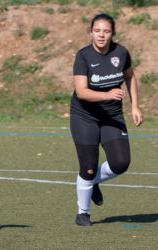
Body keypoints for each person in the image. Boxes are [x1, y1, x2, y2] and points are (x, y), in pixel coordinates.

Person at [70, 13, 143, 226]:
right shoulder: (83, 56)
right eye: (97, 30)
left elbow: (130, 76)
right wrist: (107, 95)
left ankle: (93, 183)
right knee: (88, 167)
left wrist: (135, 106)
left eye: (107, 31)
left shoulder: (121, 53)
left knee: (121, 163)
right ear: (91, 32)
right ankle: (83, 213)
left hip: (112, 116)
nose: (102, 35)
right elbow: (82, 92)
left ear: (113, 33)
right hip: (84, 116)